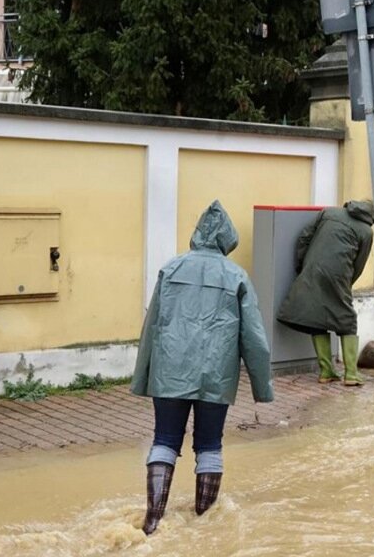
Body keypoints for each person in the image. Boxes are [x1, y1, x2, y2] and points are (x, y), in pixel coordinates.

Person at [131, 200, 273, 536]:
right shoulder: (236, 275)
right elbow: (254, 339)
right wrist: (261, 388)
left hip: (169, 372)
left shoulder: (171, 269)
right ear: (227, 239)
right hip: (216, 375)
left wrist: (143, 378)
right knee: (209, 444)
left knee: (164, 439)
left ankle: (153, 518)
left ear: (198, 234)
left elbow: (151, 327)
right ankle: (204, 524)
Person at [277, 200, 374, 386]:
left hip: (313, 268)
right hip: (339, 275)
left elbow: (305, 237)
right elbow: (359, 264)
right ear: (371, 217)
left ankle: (326, 371)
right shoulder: (366, 231)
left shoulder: (328, 212)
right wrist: (346, 283)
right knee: (348, 321)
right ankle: (351, 374)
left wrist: (303, 265)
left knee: (317, 319)